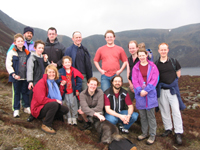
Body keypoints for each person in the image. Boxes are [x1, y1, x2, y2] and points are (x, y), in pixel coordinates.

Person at [155, 43, 185, 145]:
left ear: (168, 50)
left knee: (176, 111)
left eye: (165, 49)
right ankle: (168, 129)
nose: (163, 51)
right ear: (158, 51)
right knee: (164, 111)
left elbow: (178, 74)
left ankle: (178, 132)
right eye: (161, 50)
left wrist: (172, 84)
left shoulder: (174, 61)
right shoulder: (156, 64)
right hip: (161, 90)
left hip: (172, 91)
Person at [31, 64, 69, 134]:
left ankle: (47, 117)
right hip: (38, 109)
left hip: (45, 106)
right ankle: (46, 124)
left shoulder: (53, 83)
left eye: (53, 72)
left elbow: (57, 96)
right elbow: (41, 100)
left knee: (65, 109)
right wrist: (55, 101)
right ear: (46, 73)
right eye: (50, 72)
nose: (52, 74)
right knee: (54, 104)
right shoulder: (42, 83)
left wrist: (61, 87)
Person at [132, 48, 159, 145]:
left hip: (150, 94)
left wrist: (146, 90)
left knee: (151, 116)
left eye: (143, 55)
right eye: (140, 56)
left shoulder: (153, 66)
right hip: (140, 95)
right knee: (143, 116)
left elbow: (154, 79)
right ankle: (144, 133)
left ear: (146, 55)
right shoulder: (135, 67)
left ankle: (152, 135)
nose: (142, 57)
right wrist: (140, 91)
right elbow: (134, 81)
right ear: (138, 56)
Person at [6, 33, 31, 117]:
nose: (20, 43)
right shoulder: (12, 52)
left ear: (24, 42)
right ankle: (16, 109)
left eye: (21, 41)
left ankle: (26, 107)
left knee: (25, 93)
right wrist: (13, 74)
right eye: (18, 41)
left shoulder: (27, 53)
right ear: (15, 42)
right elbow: (8, 64)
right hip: (16, 78)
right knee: (16, 93)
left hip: (25, 77)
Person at [26, 40, 49, 122]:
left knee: (43, 98)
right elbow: (30, 70)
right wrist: (30, 81)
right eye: (39, 48)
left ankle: (41, 114)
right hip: (35, 81)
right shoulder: (32, 58)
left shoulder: (44, 58)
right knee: (33, 98)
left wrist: (46, 61)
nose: (41, 49)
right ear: (35, 48)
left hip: (43, 82)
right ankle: (32, 114)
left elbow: (48, 69)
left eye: (42, 48)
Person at [58, 56, 84, 125]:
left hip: (73, 92)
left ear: (71, 63)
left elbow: (79, 81)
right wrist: (61, 81)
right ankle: (68, 117)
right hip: (65, 92)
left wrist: (78, 89)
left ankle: (74, 118)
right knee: (67, 105)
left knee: (73, 104)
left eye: (69, 62)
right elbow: (57, 79)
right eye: (65, 62)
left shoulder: (74, 71)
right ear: (63, 64)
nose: (67, 64)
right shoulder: (60, 71)